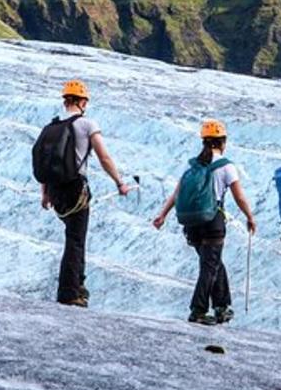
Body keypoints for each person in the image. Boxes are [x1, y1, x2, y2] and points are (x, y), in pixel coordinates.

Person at [36, 80, 130, 307]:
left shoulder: (51, 126)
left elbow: (48, 162)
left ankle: (78, 284)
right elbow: (104, 157)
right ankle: (70, 292)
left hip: (56, 189)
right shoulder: (87, 124)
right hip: (75, 188)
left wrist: (45, 193)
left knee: (72, 235)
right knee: (76, 239)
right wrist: (119, 182)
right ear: (83, 102)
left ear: (65, 100)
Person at [153, 119, 256, 325]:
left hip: (192, 224)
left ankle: (221, 306)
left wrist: (163, 214)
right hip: (212, 222)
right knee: (210, 266)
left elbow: (177, 193)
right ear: (223, 142)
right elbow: (239, 197)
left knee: (212, 261)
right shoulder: (226, 167)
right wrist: (250, 217)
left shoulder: (193, 166)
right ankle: (198, 310)